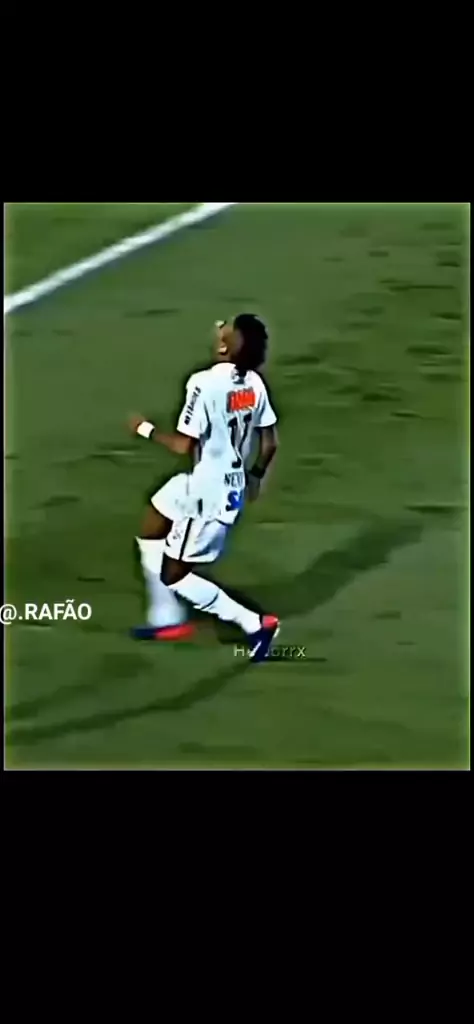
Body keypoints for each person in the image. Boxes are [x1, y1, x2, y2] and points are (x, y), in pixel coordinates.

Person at [129, 314, 280, 662]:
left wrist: (144, 429)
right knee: (153, 523)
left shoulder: (204, 383)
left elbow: (183, 444)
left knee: (175, 576)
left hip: (205, 495)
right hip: (219, 484)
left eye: (226, 331)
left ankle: (254, 623)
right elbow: (270, 443)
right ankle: (166, 617)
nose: (219, 331)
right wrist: (255, 476)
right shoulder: (255, 384)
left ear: (226, 347)